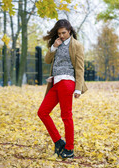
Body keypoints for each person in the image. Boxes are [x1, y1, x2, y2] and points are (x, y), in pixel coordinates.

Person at [37, 19, 88, 159]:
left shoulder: (76, 45)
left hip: (67, 82)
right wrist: (53, 47)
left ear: (69, 31)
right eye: (59, 33)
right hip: (55, 82)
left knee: (66, 116)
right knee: (42, 112)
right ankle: (59, 142)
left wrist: (78, 89)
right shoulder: (57, 44)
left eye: (64, 33)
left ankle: (70, 149)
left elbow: (80, 68)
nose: (61, 36)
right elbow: (47, 60)